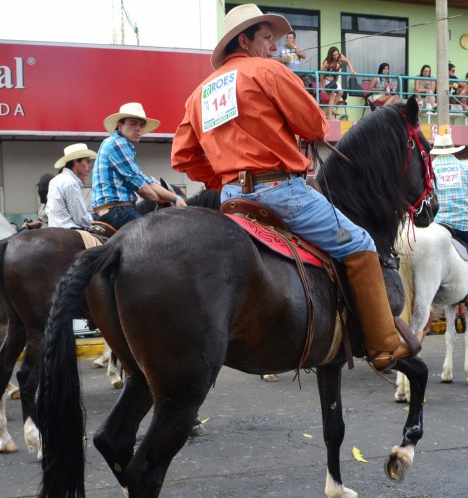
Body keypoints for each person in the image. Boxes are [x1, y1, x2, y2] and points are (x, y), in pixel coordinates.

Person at [171, 4, 417, 371]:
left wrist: (226, 176)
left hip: (232, 200)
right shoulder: (268, 71)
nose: (274, 46)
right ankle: (382, 345)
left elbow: (184, 158)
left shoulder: (200, 94)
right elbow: (316, 128)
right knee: (361, 243)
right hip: (280, 191)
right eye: (267, 37)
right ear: (245, 39)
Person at [92, 103, 185, 230]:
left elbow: (147, 182)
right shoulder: (118, 144)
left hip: (112, 210)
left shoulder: (117, 144)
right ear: (120, 125)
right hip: (118, 211)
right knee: (155, 237)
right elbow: (142, 189)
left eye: (142, 125)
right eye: (133, 123)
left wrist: (176, 198)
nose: (138, 129)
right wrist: (162, 201)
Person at [428, 133, 468, 311]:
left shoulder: (429, 169)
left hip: (438, 224)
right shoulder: (466, 169)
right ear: (452, 149)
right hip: (464, 224)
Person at [45, 143, 96, 229]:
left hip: (53, 228)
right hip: (69, 230)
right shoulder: (71, 183)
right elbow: (80, 219)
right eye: (87, 161)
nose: (90, 166)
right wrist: (95, 221)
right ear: (76, 162)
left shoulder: (55, 180)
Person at [319, 47, 354, 120]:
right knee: (332, 97)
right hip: (327, 81)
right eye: (333, 55)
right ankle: (330, 116)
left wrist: (352, 70)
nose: (335, 56)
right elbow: (321, 75)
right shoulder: (326, 62)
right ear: (330, 55)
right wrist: (323, 86)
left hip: (335, 80)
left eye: (336, 54)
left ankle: (331, 110)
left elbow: (348, 61)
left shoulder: (340, 57)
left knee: (340, 92)